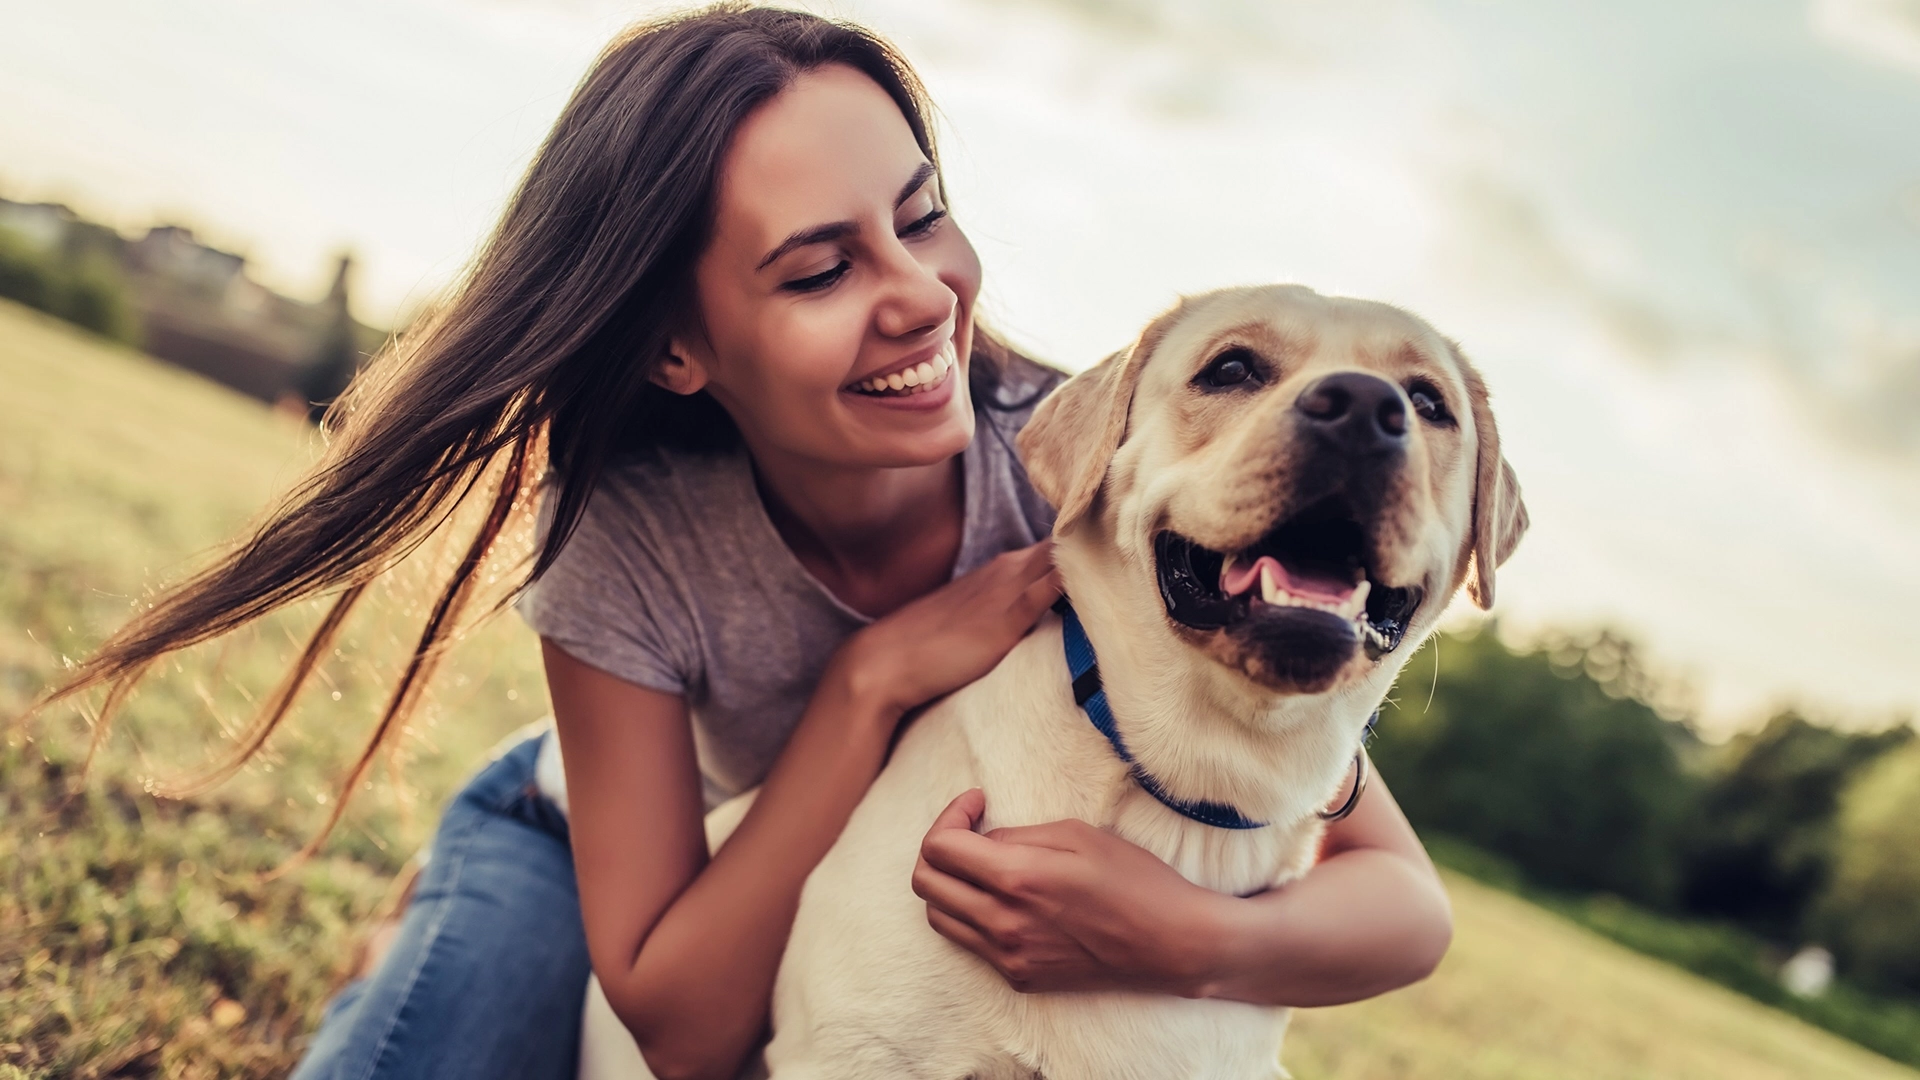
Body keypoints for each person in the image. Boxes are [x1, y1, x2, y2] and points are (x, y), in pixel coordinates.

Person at [46, 7, 1454, 1080]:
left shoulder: (1093, 476)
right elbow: (685, 1020)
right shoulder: (627, 536)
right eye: (822, 267)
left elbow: (1395, 898)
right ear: (676, 344)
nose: (923, 300)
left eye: (924, 221)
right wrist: (870, 684)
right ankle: (430, 921)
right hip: (595, 856)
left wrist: (1181, 938)